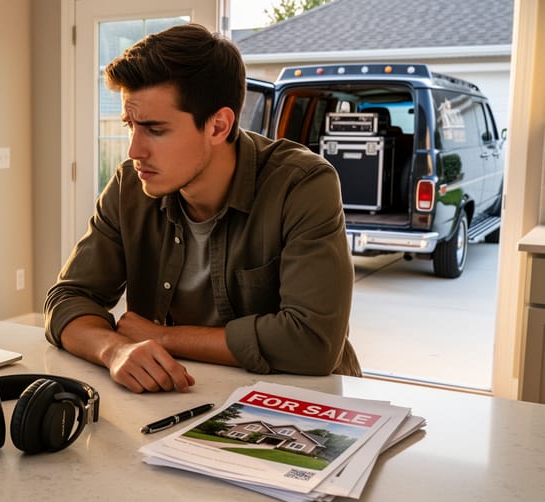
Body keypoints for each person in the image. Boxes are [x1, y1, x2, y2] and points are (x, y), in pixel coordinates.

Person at [43, 23, 361, 394]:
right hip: (180, 395)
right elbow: (66, 300)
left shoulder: (302, 184)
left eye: (155, 130)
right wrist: (114, 350)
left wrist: (164, 337)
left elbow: (313, 342)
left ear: (218, 126)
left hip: (303, 400)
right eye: (130, 125)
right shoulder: (130, 185)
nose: (134, 150)